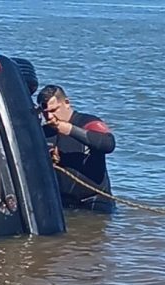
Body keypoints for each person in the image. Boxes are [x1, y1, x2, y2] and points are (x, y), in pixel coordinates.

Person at [36, 84, 116, 213]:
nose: (50, 117)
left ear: (67, 103)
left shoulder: (88, 122)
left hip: (95, 202)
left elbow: (108, 143)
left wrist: (69, 130)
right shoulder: (43, 132)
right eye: (45, 113)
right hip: (63, 204)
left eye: (53, 110)